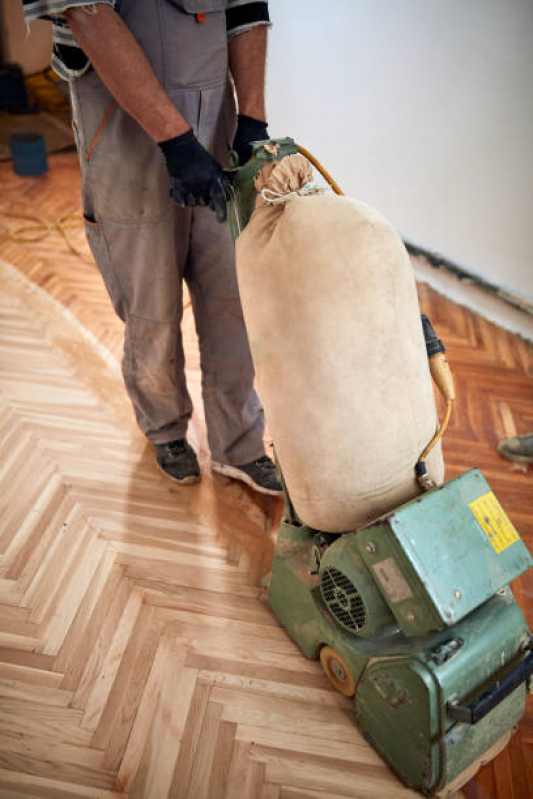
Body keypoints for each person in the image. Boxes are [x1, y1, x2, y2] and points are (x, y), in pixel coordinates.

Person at [23, 0, 283, 496]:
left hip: (219, 118)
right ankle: (165, 429)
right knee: (151, 303)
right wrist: (176, 141)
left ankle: (240, 443)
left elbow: (247, 7)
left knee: (233, 296)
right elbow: (87, 12)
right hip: (119, 121)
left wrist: (252, 119)